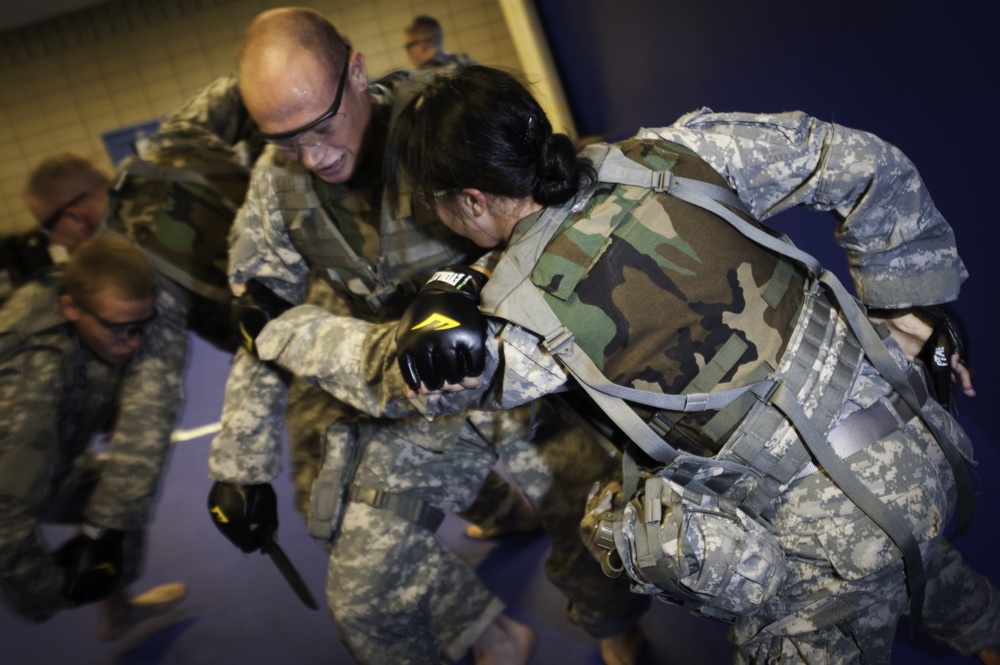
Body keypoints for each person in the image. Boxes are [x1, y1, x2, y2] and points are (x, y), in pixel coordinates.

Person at [245, 66, 1000, 664]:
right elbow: (857, 159)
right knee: (923, 561)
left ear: (471, 202)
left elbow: (392, 376)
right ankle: (974, 619)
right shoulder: (678, 154)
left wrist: (281, 328)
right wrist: (914, 300)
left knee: (662, 528)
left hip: (827, 548)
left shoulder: (524, 324)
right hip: (926, 449)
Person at [211, 8, 647, 665]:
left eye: (323, 126)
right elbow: (262, 318)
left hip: (523, 366)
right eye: (284, 139)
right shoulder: (278, 185)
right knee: (362, 583)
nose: (312, 156)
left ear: (356, 74)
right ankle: (488, 626)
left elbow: (552, 218)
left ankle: (615, 622)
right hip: (414, 391)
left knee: (587, 503)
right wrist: (239, 465)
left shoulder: (445, 122)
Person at [0, 236, 187, 641]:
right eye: (120, 329)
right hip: (9, 481)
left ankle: (116, 611)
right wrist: (56, 591)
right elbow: (4, 516)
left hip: (53, 463)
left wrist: (102, 544)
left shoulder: (76, 298)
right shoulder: (31, 384)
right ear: (70, 308)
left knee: (118, 496)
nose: (134, 343)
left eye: (142, 326)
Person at [402, 15, 475, 70]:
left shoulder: (423, 77)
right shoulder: (465, 61)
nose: (408, 56)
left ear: (423, 46)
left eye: (408, 47)